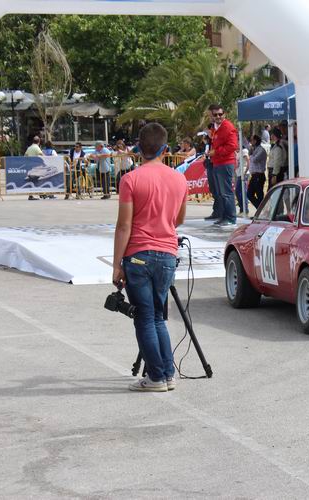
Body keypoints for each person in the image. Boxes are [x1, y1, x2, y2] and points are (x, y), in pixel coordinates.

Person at [112, 123, 187, 392]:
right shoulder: (179, 178)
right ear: (165, 149)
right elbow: (178, 219)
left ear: (138, 148)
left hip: (139, 255)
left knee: (144, 318)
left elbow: (124, 226)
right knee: (158, 318)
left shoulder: (130, 179)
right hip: (167, 253)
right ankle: (167, 373)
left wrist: (116, 264)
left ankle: (156, 377)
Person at [208, 104, 239, 226]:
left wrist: (216, 152)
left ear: (224, 114)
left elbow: (233, 146)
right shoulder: (216, 127)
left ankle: (231, 218)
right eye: (215, 114)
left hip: (225, 163)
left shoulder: (227, 127)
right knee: (221, 193)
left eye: (220, 114)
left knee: (226, 192)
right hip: (217, 162)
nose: (218, 116)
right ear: (211, 115)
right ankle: (224, 216)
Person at [247, 135, 267, 208]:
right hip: (254, 175)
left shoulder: (261, 150)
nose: (251, 142)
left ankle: (262, 211)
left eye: (252, 140)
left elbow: (254, 160)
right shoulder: (254, 149)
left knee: (259, 195)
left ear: (255, 141)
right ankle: (260, 210)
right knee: (249, 194)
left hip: (259, 175)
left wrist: (251, 154)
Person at [235, 141, 250, 215]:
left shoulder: (244, 151)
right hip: (239, 174)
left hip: (243, 174)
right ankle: (242, 209)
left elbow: (248, 160)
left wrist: (246, 170)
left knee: (243, 192)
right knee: (238, 192)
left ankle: (245, 209)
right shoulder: (238, 152)